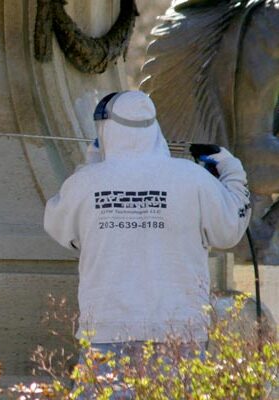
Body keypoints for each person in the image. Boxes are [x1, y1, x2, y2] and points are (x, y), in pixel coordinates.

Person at [43, 90, 251, 397]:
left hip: (107, 333)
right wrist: (231, 170)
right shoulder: (193, 179)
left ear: (104, 129)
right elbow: (230, 229)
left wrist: (89, 170)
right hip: (179, 336)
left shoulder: (86, 183)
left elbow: (60, 228)